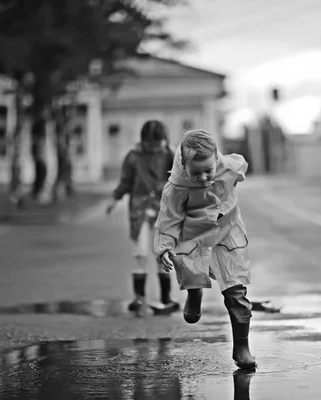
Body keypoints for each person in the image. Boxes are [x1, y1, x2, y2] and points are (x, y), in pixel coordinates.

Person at [154, 129, 256, 370]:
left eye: (208, 171)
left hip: (226, 230)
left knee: (236, 291)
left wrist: (238, 174)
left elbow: (241, 165)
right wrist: (164, 248)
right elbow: (168, 219)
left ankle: (242, 346)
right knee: (191, 267)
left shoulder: (227, 167)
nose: (202, 178)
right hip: (194, 235)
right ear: (183, 165)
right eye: (195, 173)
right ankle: (194, 290)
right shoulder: (176, 188)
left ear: (217, 161)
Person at [107, 120, 179, 315]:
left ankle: (166, 298)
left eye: (158, 144)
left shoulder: (170, 155)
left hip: (163, 212)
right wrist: (115, 198)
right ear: (143, 141)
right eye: (150, 145)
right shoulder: (133, 157)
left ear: (164, 140)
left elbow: (180, 181)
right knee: (140, 253)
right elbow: (126, 181)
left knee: (162, 253)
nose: (154, 148)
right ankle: (139, 298)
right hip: (139, 210)